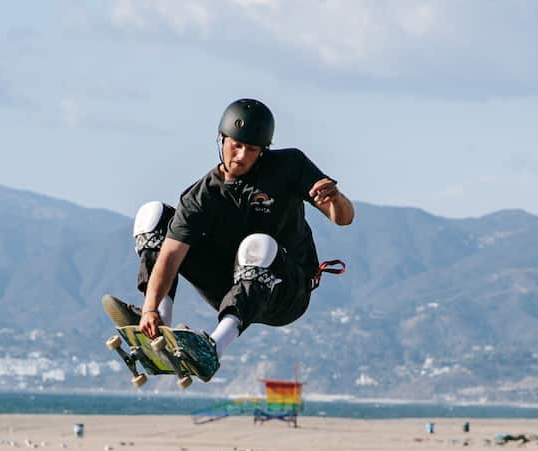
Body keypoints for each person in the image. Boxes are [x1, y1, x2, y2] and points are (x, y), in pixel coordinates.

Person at [109, 98, 355, 378]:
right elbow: (170, 256)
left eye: (251, 149)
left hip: (286, 291)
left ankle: (214, 348)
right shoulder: (201, 196)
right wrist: (151, 307)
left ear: (262, 152)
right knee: (152, 216)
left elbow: (343, 218)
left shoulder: (291, 166)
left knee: (258, 245)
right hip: (231, 285)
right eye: (235, 145)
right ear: (222, 140)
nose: (240, 155)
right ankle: (158, 326)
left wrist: (336, 198)